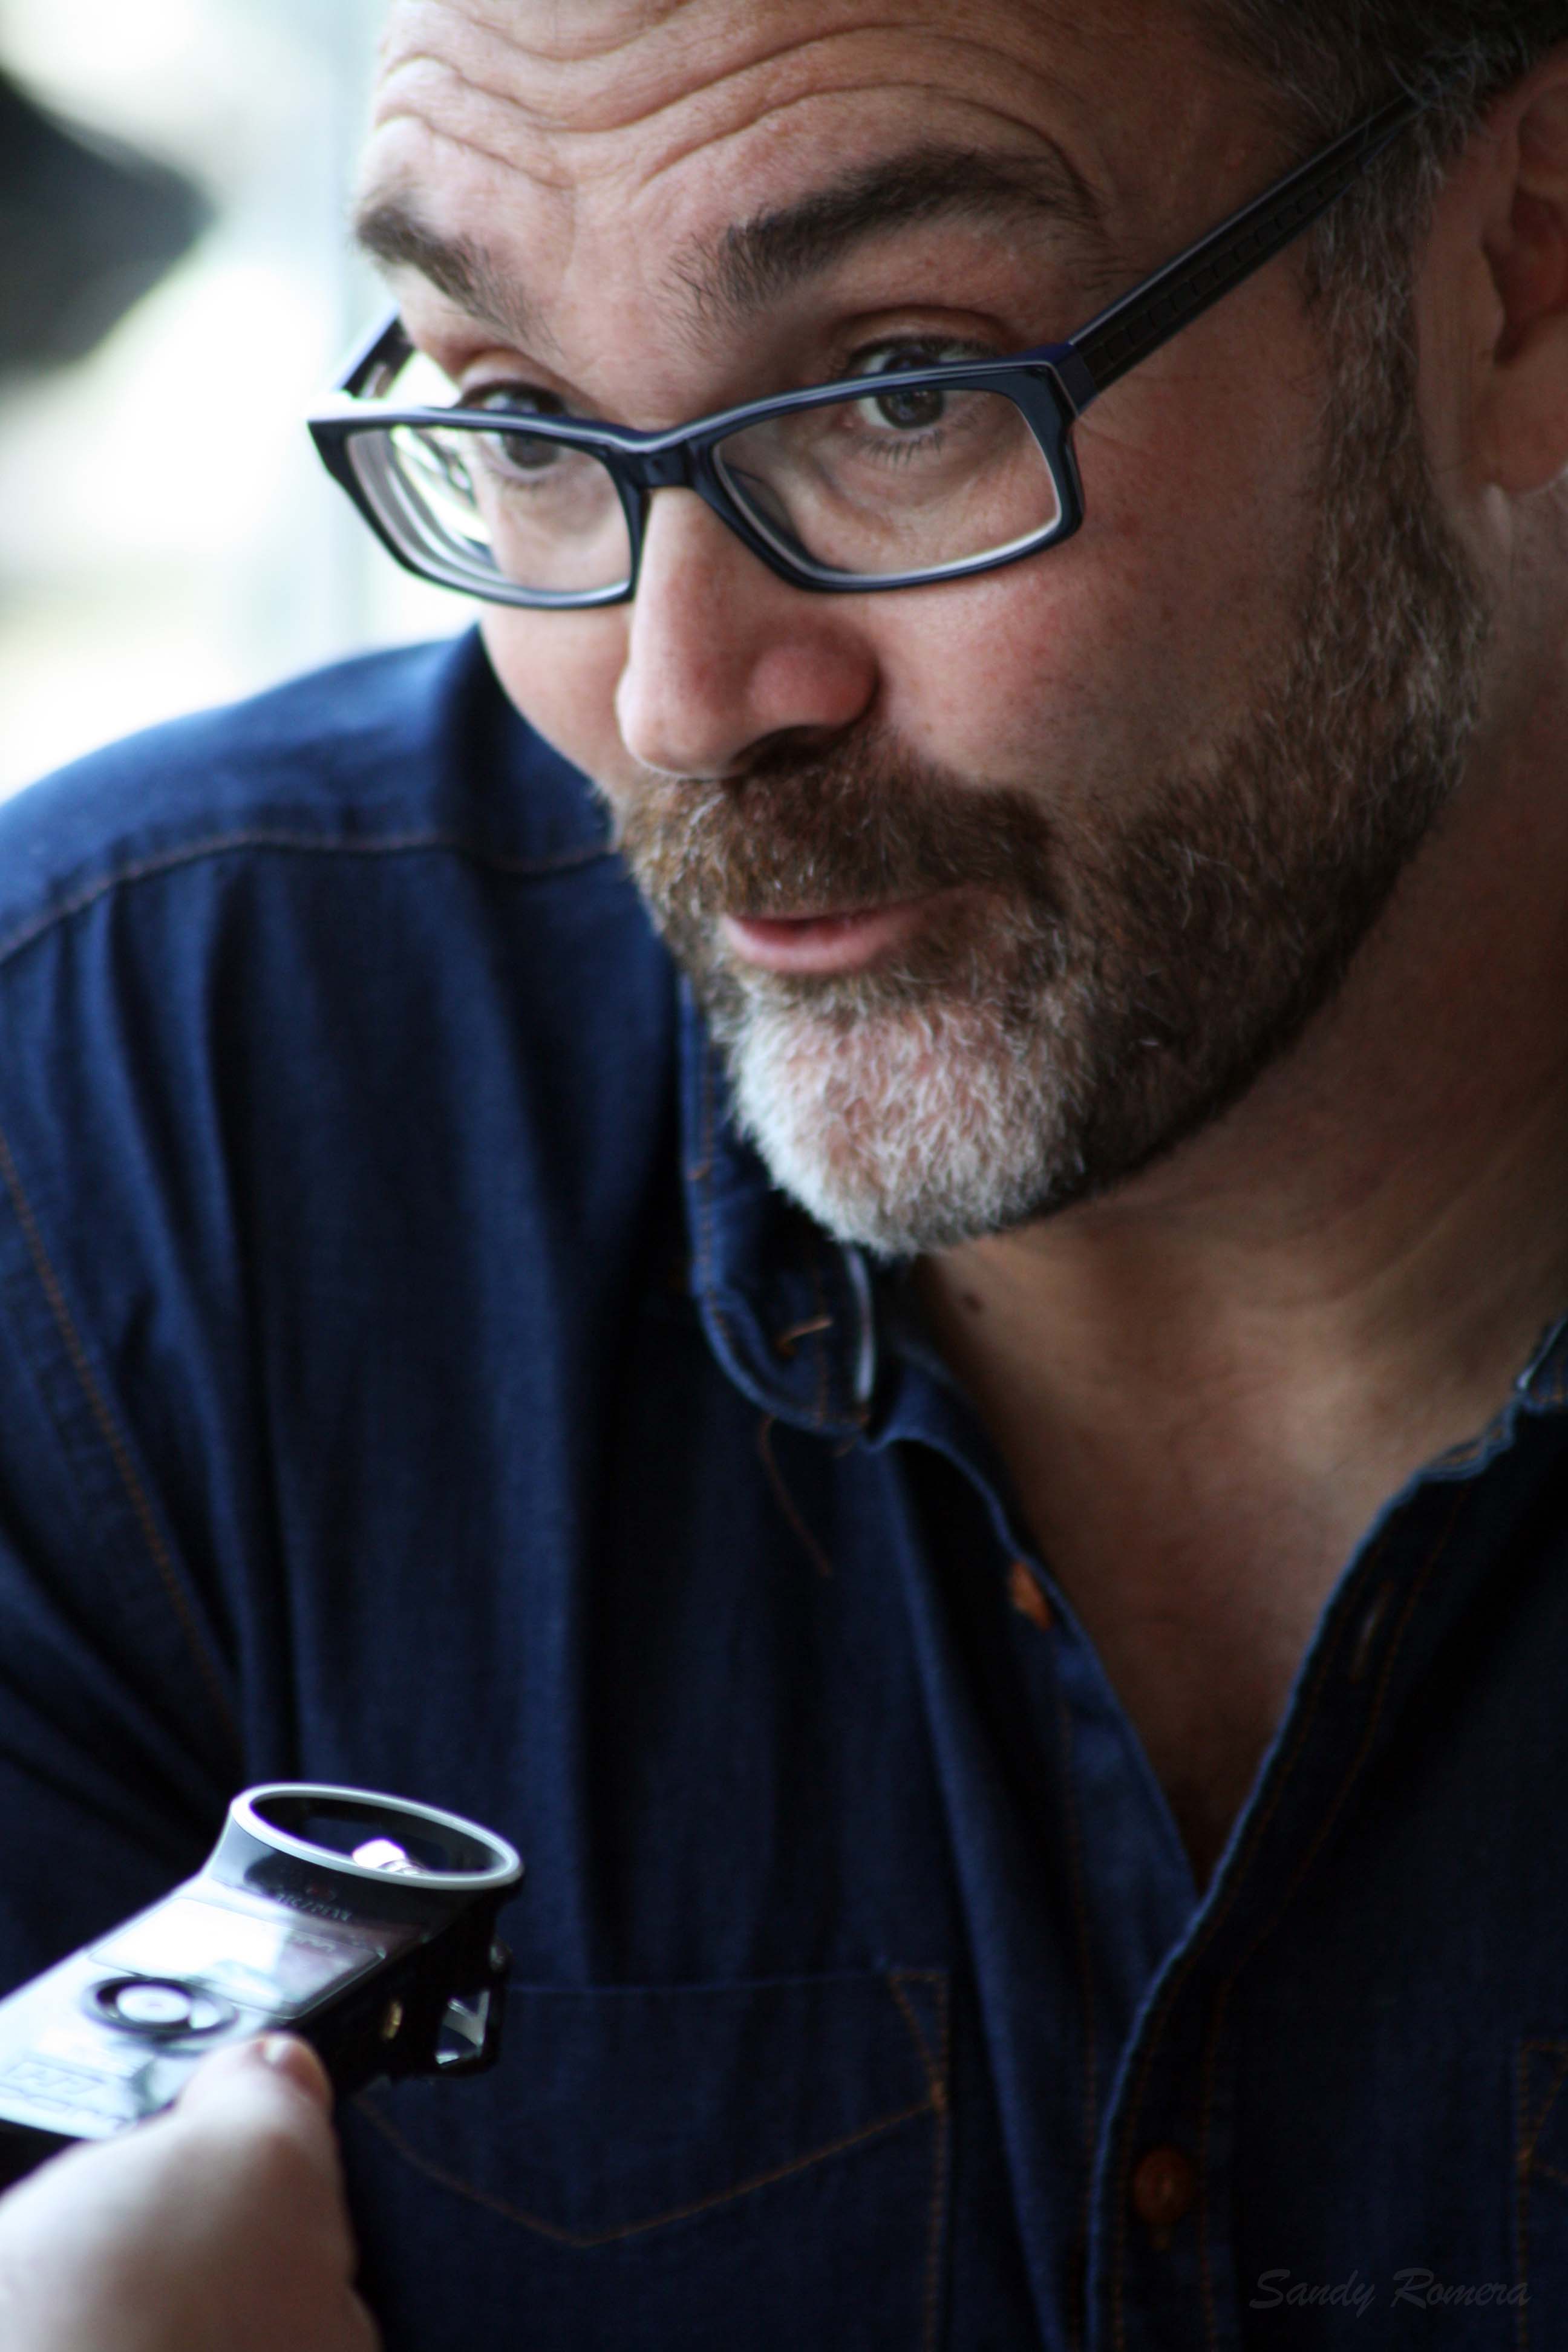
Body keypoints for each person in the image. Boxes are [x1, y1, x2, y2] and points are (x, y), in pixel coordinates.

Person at [0, 0, 1565, 2341]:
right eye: (519, 420)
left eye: (902, 392)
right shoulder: (133, 1135)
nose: (675, 702)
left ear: (1520, 268)